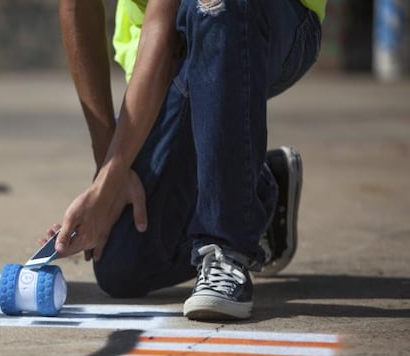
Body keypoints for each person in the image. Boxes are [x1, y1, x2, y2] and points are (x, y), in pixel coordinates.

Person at [50, 0, 324, 320]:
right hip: (174, 47)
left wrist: (113, 173)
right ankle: (261, 187)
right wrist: (108, 175)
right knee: (122, 262)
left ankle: (226, 248)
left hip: (270, 19)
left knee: (214, 6)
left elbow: (161, 23)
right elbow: (76, 6)